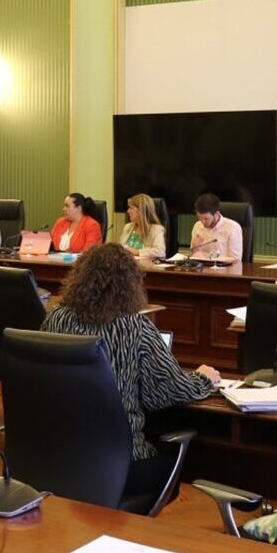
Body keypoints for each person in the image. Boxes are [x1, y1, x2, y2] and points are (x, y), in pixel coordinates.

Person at [41, 244, 220, 482]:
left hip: (61, 457)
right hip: (123, 463)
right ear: (130, 285)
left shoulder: (55, 319)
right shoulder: (136, 328)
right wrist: (203, 377)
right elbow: (168, 391)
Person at [189, 193, 243, 261]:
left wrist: (209, 259)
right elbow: (192, 255)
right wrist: (195, 248)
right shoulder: (197, 226)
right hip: (201, 269)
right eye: (199, 218)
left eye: (206, 219)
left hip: (224, 270)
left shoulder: (233, 227)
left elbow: (236, 260)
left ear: (216, 214)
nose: (202, 222)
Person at [121, 194, 166, 258]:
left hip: (144, 266)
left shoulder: (156, 229)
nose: (128, 211)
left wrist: (136, 252)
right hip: (125, 265)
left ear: (141, 211)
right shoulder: (127, 227)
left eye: (131, 208)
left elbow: (160, 252)